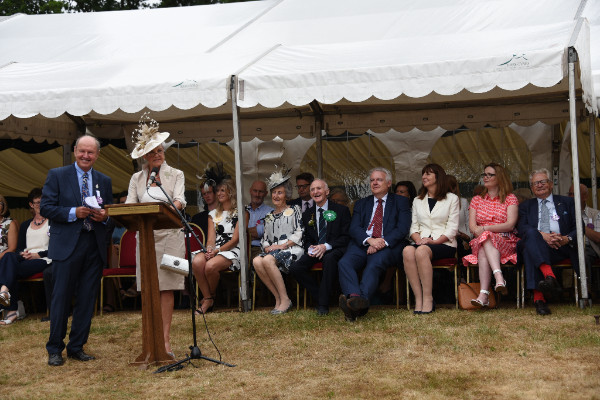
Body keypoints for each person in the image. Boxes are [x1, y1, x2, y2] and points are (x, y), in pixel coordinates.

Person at [41, 135, 112, 367]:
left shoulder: (104, 180)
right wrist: (73, 212)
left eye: (90, 153)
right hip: (67, 246)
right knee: (61, 298)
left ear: (97, 155)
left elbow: (112, 215)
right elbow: (46, 207)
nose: (86, 156)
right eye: (82, 151)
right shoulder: (57, 175)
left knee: (86, 299)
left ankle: (76, 347)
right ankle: (54, 349)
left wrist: (105, 216)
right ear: (74, 151)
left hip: (94, 245)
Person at [126, 119, 185, 356]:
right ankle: (150, 341)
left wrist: (168, 210)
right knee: (149, 289)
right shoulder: (136, 179)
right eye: (152, 152)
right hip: (147, 239)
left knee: (168, 287)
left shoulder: (176, 174)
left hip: (171, 236)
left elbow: (180, 201)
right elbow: (130, 206)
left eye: (160, 150)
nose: (157, 155)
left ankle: (165, 342)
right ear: (144, 157)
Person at [338, 167, 411, 321]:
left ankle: (357, 303)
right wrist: (370, 240)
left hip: (388, 245)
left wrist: (381, 242)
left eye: (379, 179)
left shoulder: (401, 201)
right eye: (372, 180)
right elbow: (354, 228)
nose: (375, 182)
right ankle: (356, 298)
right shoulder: (361, 204)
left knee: (374, 262)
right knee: (344, 262)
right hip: (364, 243)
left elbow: (403, 228)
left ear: (389, 183)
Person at [517, 168, 578, 315]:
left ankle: (539, 298)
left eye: (542, 181)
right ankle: (549, 278)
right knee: (531, 237)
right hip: (537, 243)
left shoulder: (567, 202)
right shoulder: (525, 206)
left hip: (560, 246)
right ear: (531, 188)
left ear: (550, 184)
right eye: (535, 183)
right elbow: (522, 228)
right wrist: (542, 235)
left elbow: (579, 226)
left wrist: (566, 238)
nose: (539, 185)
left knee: (530, 250)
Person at [289, 179, 351, 315]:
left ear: (327, 192)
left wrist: (326, 246)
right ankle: (322, 295)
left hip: (335, 249)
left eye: (319, 189)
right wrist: (310, 248)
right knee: (295, 268)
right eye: (312, 189)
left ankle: (323, 305)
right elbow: (306, 239)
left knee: (329, 259)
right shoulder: (307, 214)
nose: (315, 192)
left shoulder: (341, 210)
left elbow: (346, 237)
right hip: (316, 251)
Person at [403, 164, 459, 314]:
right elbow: (413, 228)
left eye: (428, 174)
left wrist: (433, 242)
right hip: (423, 242)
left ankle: (428, 298)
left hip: (444, 243)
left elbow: (452, 229)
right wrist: (419, 239)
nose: (424, 177)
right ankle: (418, 298)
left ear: (438, 177)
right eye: (423, 174)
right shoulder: (417, 200)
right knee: (408, 250)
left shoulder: (452, 199)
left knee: (421, 251)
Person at [462, 164, 519, 307]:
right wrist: (483, 231)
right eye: (484, 174)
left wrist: (486, 228)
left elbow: (510, 224)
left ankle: (484, 294)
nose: (485, 177)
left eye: (490, 174)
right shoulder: (476, 200)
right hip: (481, 241)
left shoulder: (510, 198)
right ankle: (498, 277)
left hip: (505, 241)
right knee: (484, 242)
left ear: (500, 177)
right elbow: (472, 227)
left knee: (485, 240)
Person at [253, 167, 304, 314]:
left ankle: (285, 299)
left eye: (280, 192)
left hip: (293, 248)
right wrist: (268, 247)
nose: (276, 196)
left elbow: (300, 232)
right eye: (274, 192)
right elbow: (265, 239)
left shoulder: (295, 209)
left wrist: (282, 245)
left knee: (268, 260)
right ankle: (278, 298)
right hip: (275, 250)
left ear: (286, 195)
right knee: (257, 261)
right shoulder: (269, 215)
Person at [192, 178, 246, 314]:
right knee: (197, 262)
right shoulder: (212, 214)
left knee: (210, 266)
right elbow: (210, 238)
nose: (219, 193)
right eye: (218, 191)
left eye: (223, 190)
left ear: (231, 192)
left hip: (232, 249)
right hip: (216, 249)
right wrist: (210, 249)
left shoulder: (241, 212)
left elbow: (235, 239)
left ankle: (209, 298)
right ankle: (209, 297)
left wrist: (217, 251)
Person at [0, 188, 52, 325]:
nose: (40, 206)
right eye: (37, 203)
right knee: (9, 256)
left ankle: (9, 303)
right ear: (31, 205)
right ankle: (6, 298)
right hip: (26, 259)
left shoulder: (52, 222)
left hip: (44, 259)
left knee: (10, 269)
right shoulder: (25, 225)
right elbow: (18, 249)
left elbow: (57, 247)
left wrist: (38, 254)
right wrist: (22, 253)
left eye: (43, 202)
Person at [568, 184, 600, 291]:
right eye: (570, 194)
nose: (572, 197)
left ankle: (586, 291)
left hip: (588, 247)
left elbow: (598, 238)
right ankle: (557, 292)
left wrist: (580, 226)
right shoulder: (563, 213)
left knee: (584, 255)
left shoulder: (595, 214)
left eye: (575, 194)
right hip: (568, 245)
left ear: (585, 196)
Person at [247, 180, 273, 260]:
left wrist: (246, 233)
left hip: (259, 248)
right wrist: (255, 233)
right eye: (255, 191)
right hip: (241, 247)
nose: (257, 194)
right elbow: (236, 232)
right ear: (250, 191)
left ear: (266, 193)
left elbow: (266, 231)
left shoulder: (271, 212)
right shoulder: (242, 210)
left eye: (261, 192)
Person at [0, 194, 18, 262]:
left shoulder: (10, 223)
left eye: (0, 203)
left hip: (3, 260)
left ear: (3, 207)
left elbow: (12, 248)